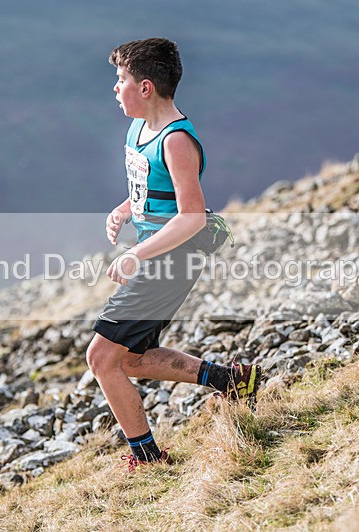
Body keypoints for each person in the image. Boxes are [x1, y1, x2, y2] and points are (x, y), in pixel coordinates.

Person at [86, 38, 263, 473]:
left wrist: (136, 254)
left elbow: (192, 216)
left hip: (172, 260)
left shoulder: (176, 140)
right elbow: (151, 190)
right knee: (129, 359)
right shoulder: (138, 127)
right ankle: (229, 380)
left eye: (121, 79)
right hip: (157, 255)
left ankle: (147, 459)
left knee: (101, 358)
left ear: (145, 87)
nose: (115, 88)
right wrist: (126, 208)